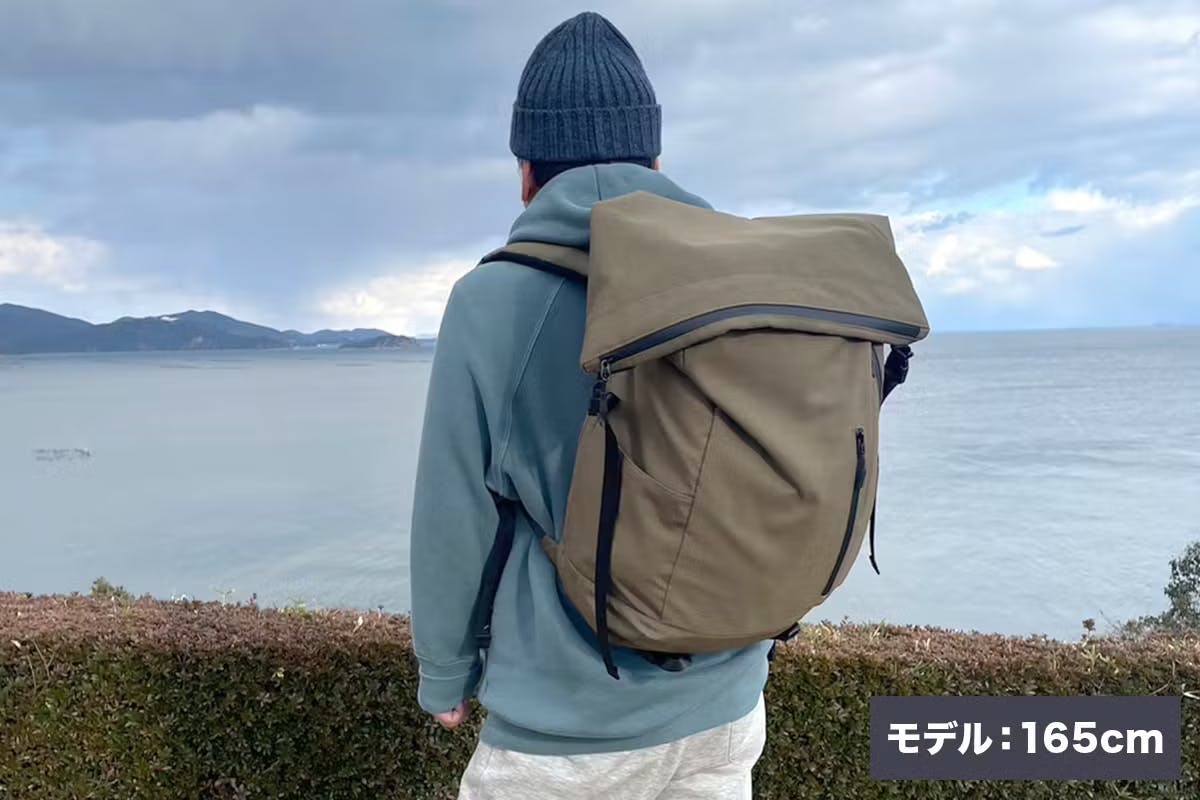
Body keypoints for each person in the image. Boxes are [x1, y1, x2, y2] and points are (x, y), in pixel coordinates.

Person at [410, 12, 769, 799]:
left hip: (566, 729)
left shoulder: (492, 300)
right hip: (726, 703)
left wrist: (445, 675)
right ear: (657, 161)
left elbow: (454, 512)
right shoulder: (739, 283)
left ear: (526, 174)